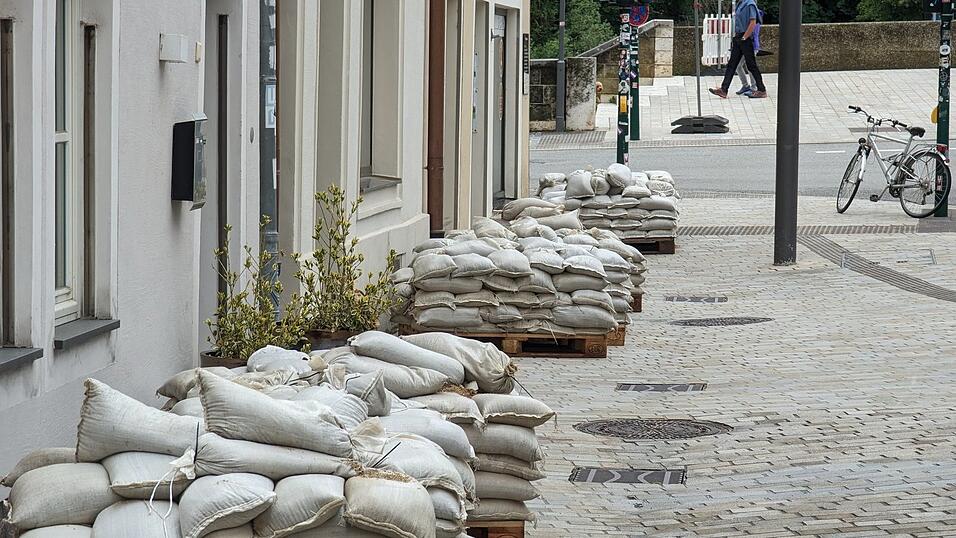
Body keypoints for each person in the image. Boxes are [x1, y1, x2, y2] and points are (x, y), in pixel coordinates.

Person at [709, 0, 766, 99]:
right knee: (732, 64)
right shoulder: (740, 4)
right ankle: (724, 90)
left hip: (745, 38)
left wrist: (744, 37)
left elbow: (753, 22)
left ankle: (761, 90)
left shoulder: (750, 4)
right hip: (738, 37)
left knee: (751, 65)